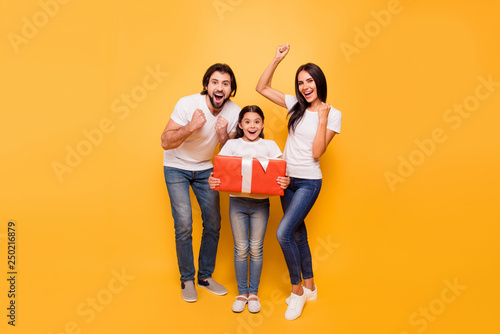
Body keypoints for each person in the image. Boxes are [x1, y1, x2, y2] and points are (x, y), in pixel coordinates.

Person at [256, 44, 342, 320]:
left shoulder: (333, 114)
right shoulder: (295, 105)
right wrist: (277, 59)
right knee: (298, 234)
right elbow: (262, 87)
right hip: (286, 179)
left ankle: (297, 293)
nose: (305, 86)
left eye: (309, 81)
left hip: (308, 183)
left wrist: (322, 119)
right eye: (301, 82)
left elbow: (317, 152)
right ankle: (310, 287)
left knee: (283, 233)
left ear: (319, 82)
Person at [161, 63, 240, 302]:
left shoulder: (234, 112)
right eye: (215, 82)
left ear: (230, 90)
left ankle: (205, 277)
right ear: (207, 86)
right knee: (184, 223)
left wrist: (224, 135)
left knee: (214, 223)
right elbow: (165, 141)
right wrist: (192, 126)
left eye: (225, 84)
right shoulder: (187, 104)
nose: (220, 88)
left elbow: (229, 154)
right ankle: (187, 279)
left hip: (206, 168)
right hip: (176, 166)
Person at [208, 105, 290, 313]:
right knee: (241, 248)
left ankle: (253, 293)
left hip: (261, 204)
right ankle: (242, 293)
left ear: (262, 124)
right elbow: (220, 171)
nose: (252, 126)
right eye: (247, 122)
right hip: (237, 203)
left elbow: (280, 172)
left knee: (256, 248)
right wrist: (213, 180)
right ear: (241, 125)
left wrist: (285, 180)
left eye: (256, 122)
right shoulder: (232, 145)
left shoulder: (270, 146)